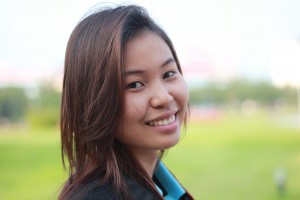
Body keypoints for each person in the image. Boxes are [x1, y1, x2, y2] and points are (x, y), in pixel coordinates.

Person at [59, 4, 193, 200]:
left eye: (169, 73)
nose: (164, 97)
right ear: (94, 101)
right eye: (135, 84)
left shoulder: (160, 183)